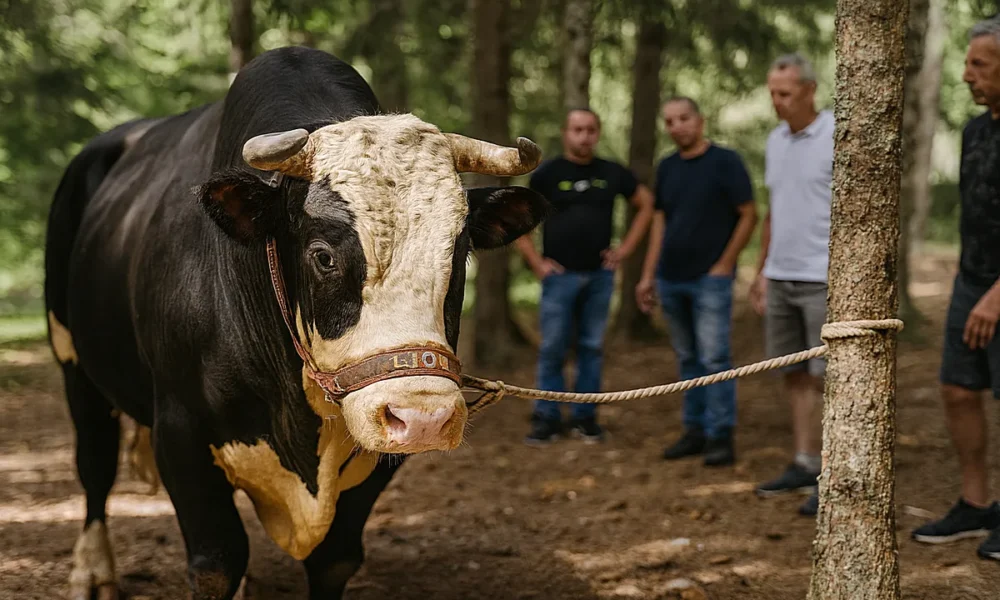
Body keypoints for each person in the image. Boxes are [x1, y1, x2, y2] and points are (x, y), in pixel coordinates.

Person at [910, 17, 1000, 561]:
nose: (966, 75)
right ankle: (976, 504)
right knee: (957, 389)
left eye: (979, 64)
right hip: (973, 282)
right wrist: (972, 279)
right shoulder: (974, 131)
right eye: (967, 63)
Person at [516, 107, 654, 446]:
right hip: (558, 278)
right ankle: (547, 418)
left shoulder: (612, 172)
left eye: (590, 129)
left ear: (598, 132)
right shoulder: (547, 174)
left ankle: (585, 418)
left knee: (591, 348)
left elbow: (646, 205)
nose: (584, 136)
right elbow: (519, 218)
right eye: (577, 129)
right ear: (565, 133)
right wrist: (537, 263)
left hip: (599, 277)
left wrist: (624, 251)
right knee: (552, 349)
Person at [636, 97, 757, 467]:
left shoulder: (726, 161)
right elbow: (659, 222)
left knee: (715, 358)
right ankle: (695, 431)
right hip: (672, 279)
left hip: (711, 281)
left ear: (700, 120)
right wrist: (648, 275)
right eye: (670, 121)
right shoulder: (668, 167)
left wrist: (724, 264)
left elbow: (749, 215)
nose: (677, 127)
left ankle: (722, 436)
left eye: (684, 118)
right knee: (688, 359)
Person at [749, 53, 833, 516]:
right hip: (781, 275)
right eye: (772, 94)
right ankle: (804, 461)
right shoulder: (775, 140)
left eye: (784, 94)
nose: (777, 103)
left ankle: (831, 474)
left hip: (823, 279)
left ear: (808, 90)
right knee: (795, 376)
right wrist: (762, 270)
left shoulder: (837, 134)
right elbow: (774, 210)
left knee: (828, 381)